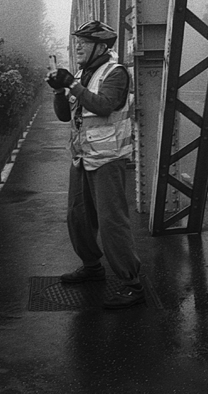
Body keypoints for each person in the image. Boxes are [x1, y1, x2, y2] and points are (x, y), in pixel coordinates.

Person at [45, 20, 144, 309]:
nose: (77, 47)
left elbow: (104, 106)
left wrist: (72, 85)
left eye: (84, 43)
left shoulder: (116, 73)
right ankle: (92, 266)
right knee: (77, 217)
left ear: (101, 46)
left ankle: (131, 283)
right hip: (82, 157)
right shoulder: (82, 73)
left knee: (112, 222)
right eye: (77, 42)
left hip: (108, 159)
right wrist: (57, 90)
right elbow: (65, 116)